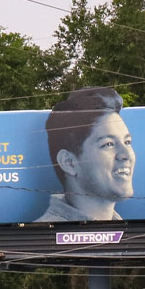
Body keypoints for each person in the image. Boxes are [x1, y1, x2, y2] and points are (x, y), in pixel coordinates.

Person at [33, 87, 135, 222]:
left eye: (127, 142)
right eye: (108, 144)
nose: (126, 154)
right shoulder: (44, 239)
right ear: (68, 162)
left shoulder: (125, 231)